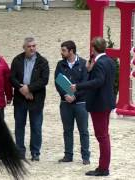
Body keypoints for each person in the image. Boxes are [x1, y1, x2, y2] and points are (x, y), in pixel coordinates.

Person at [71, 37, 116, 176]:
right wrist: (90, 70)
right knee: (104, 135)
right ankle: (103, 166)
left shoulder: (100, 63)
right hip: (106, 102)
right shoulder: (109, 60)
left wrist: (78, 86)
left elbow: (98, 81)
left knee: (102, 136)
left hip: (99, 104)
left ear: (93, 49)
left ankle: (103, 168)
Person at [10, 37, 49, 161]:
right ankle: (20, 151)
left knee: (36, 126)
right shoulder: (17, 60)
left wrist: (29, 89)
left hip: (36, 99)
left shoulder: (43, 62)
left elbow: (44, 80)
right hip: (20, 98)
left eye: (33, 46)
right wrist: (22, 90)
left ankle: (35, 152)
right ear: (24, 48)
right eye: (29, 46)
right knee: (19, 126)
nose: (32, 48)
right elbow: (12, 78)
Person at [54, 40, 90, 165]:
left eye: (64, 50)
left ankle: (86, 156)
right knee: (67, 130)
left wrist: (75, 96)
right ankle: (68, 155)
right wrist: (65, 95)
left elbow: (85, 84)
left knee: (83, 131)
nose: (61, 52)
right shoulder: (60, 65)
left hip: (81, 104)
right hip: (65, 103)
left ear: (71, 51)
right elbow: (57, 82)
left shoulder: (84, 64)